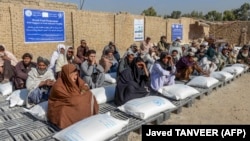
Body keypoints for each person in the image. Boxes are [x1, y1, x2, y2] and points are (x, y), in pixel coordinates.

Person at [48, 64, 99, 129]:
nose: (75, 78)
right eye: (73, 75)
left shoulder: (76, 79)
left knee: (90, 94)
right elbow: (70, 100)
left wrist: (82, 91)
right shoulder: (58, 86)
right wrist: (80, 95)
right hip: (60, 105)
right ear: (66, 76)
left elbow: (84, 86)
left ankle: (87, 116)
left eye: (76, 75)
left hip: (76, 98)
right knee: (69, 106)